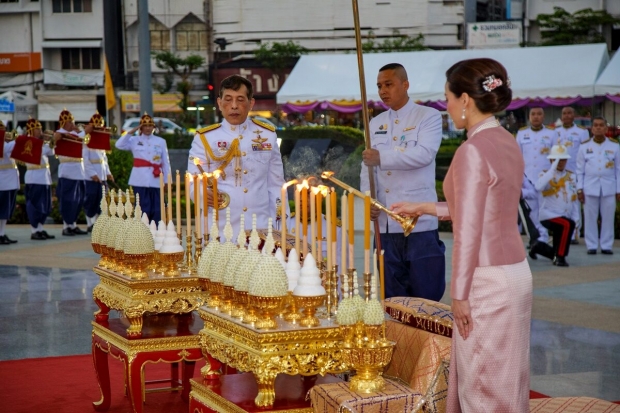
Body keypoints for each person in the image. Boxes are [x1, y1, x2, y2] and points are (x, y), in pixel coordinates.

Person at [391, 58, 532, 412]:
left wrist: (459, 293)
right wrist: (424, 207)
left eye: (448, 97)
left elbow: (469, 230)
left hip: (484, 278)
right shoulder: (507, 141)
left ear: (466, 99)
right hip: (516, 272)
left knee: (482, 384)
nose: (446, 106)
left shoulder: (472, 150)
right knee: (508, 379)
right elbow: (485, 210)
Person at [360, 63, 446, 301]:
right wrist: (370, 199)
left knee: (426, 294)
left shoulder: (428, 116)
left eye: (388, 84)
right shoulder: (375, 123)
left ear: (405, 84)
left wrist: (383, 157)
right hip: (386, 222)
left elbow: (424, 154)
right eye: (379, 86)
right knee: (392, 297)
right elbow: (366, 167)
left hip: (419, 220)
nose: (383, 90)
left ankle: (427, 339)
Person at [187, 75, 286, 239]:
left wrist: (280, 225)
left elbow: (276, 184)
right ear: (219, 103)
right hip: (220, 229)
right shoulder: (205, 138)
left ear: (251, 103)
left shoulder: (267, 135)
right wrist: (201, 193)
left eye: (240, 99)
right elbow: (193, 179)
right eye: (228, 100)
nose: (234, 106)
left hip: (260, 229)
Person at [115, 112, 171, 222]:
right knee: (142, 208)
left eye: (150, 126)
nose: (148, 128)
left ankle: (156, 232)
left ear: (154, 127)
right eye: (145, 126)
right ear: (141, 127)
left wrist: (167, 180)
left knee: (157, 209)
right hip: (139, 179)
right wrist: (131, 132)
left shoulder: (160, 141)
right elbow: (119, 145)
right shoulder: (134, 140)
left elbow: (165, 162)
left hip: (156, 179)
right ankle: (142, 233)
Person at [576, 117, 620, 255]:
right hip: (590, 187)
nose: (599, 128)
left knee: (608, 217)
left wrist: (619, 189)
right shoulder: (584, 147)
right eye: (596, 125)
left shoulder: (614, 146)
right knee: (590, 217)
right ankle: (592, 245)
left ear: (606, 129)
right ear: (592, 128)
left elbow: (618, 169)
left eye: (601, 125)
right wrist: (579, 188)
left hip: (609, 187)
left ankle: (606, 245)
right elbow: (579, 170)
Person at [515, 107, 556, 251]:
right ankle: (535, 239)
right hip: (527, 179)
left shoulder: (552, 134)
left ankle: (543, 240)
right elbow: (517, 157)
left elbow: (555, 158)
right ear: (529, 116)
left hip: (545, 179)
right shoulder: (522, 133)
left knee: (544, 211)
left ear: (543, 116)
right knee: (531, 212)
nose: (536, 117)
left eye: (539, 114)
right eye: (533, 114)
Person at [535, 144, 580, 266]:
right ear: (551, 160)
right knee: (567, 224)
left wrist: (576, 218)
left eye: (563, 159)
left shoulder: (571, 176)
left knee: (567, 225)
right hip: (548, 215)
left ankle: (539, 247)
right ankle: (560, 258)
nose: (560, 162)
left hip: (563, 215)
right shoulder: (545, 174)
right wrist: (552, 169)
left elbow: (574, 199)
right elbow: (539, 186)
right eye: (557, 160)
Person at [54, 109, 91, 236]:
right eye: (69, 122)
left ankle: (73, 224)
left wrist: (79, 131)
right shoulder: (60, 133)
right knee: (68, 199)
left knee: (78, 199)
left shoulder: (75, 133)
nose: (72, 124)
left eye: (73, 122)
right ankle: (66, 226)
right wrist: (82, 131)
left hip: (79, 171)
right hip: (67, 171)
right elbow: (54, 140)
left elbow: (85, 140)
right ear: (63, 122)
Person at [556, 106, 589, 244]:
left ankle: (575, 233)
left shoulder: (581, 132)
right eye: (564, 113)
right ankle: (562, 232)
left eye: (569, 113)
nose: (566, 116)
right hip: (558, 173)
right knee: (560, 202)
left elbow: (585, 154)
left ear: (574, 115)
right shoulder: (555, 132)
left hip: (574, 173)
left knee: (574, 204)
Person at [23, 118, 56, 240]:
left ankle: (40, 229)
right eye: (38, 129)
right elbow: (42, 151)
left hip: (44, 177)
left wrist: (48, 141)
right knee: (35, 205)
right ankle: (34, 230)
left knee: (45, 205)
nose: (40, 131)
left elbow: (51, 152)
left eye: (41, 128)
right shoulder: (28, 142)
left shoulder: (40, 142)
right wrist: (51, 140)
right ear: (31, 130)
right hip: (34, 177)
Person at [83, 111, 114, 232]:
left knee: (101, 200)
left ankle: (97, 223)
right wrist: (92, 175)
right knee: (91, 199)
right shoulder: (86, 143)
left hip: (102, 176)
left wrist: (108, 173)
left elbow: (104, 160)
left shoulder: (101, 143)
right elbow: (85, 161)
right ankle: (90, 223)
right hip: (91, 177)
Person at [0, 121, 19, 244]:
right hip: (3, 181)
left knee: (6, 210)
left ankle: (1, 233)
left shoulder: (6, 143)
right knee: (2, 209)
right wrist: (18, 139)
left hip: (11, 180)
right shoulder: (4, 145)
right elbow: (6, 149)